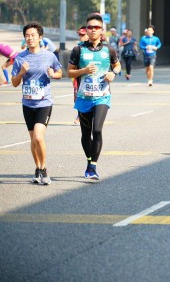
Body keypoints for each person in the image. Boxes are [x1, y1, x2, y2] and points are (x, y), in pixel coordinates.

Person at [67, 13, 121, 180]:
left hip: (102, 96)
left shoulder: (108, 49)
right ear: (86, 30)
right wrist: (83, 71)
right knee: (86, 134)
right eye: (89, 27)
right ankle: (89, 159)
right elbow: (69, 73)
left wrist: (113, 73)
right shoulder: (78, 50)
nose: (93, 30)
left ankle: (92, 166)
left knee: (97, 130)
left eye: (96, 27)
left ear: (101, 30)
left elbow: (117, 65)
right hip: (84, 98)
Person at [11, 22, 62, 185]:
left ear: (40, 37)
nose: (30, 38)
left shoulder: (49, 56)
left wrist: (53, 74)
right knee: (32, 139)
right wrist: (21, 72)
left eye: (33, 35)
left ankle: (44, 169)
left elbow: (60, 73)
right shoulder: (20, 58)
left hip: (44, 103)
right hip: (27, 104)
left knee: (39, 137)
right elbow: (14, 82)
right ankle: (38, 168)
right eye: (27, 36)